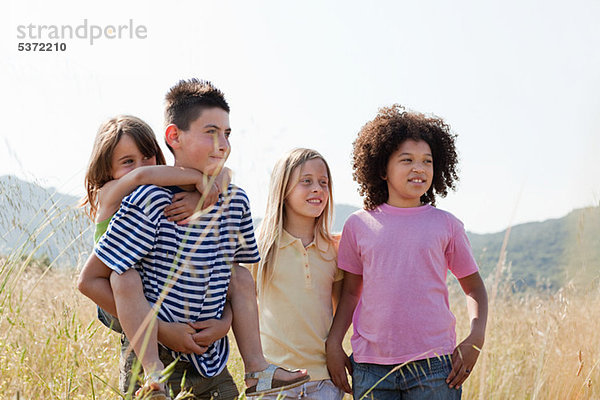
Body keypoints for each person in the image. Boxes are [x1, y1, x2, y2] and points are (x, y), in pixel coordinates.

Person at [78, 79, 307, 400]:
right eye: (211, 132)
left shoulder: (230, 199)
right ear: (174, 137)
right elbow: (90, 281)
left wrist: (225, 321)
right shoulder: (142, 198)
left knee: (239, 274)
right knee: (124, 276)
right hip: (146, 337)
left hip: (208, 359)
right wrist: (164, 332)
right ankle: (153, 374)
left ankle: (257, 370)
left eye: (227, 134)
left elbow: (228, 279)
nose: (222, 144)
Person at [326, 105, 488, 399]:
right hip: (371, 367)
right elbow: (350, 294)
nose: (419, 168)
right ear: (381, 169)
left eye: (427, 161)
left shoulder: (446, 225)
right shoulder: (358, 225)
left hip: (436, 367)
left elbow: (474, 288)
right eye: (407, 160)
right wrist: (333, 344)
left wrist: (475, 339)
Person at [247, 148, 345, 399]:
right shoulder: (261, 245)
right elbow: (244, 307)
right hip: (273, 379)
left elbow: (339, 309)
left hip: (324, 380)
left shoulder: (333, 250)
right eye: (307, 181)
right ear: (283, 189)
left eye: (324, 183)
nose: (318, 189)